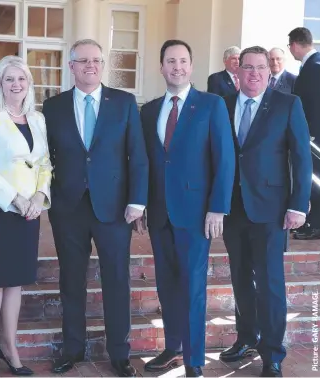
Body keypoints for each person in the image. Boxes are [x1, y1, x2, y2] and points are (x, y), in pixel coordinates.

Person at [42, 39, 148, 377]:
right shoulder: (53, 106)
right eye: (83, 60)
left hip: (114, 208)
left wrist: (137, 200)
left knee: (116, 279)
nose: (90, 66)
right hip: (68, 207)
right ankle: (73, 349)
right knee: (71, 280)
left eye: (97, 60)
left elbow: (138, 156)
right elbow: (44, 158)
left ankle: (120, 353)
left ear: (103, 65)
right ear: (71, 66)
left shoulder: (125, 102)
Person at [138, 39, 235, 378]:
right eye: (170, 61)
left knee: (193, 286)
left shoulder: (211, 105)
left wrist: (218, 208)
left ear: (191, 66)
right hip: (160, 213)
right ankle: (173, 346)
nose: (176, 67)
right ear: (161, 67)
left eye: (182, 61)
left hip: (196, 214)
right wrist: (144, 205)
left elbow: (224, 160)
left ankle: (194, 362)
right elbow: (147, 163)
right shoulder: (149, 110)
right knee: (166, 285)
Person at [219, 46, 312, 378]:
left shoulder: (288, 105)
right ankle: (246, 337)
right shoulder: (223, 104)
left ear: (268, 72)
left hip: (271, 211)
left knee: (271, 283)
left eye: (260, 67)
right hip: (231, 209)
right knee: (241, 278)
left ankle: (272, 353)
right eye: (248, 67)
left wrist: (298, 205)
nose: (254, 73)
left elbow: (302, 159)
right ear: (238, 71)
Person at [0, 55, 52, 377]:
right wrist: (14, 198)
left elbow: (43, 164)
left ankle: (10, 348)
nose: (16, 85)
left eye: (21, 79)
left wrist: (40, 196)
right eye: (9, 79)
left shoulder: (37, 119)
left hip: (29, 211)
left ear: (29, 83)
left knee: (15, 283)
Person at [288, 27, 320, 240]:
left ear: (294, 45)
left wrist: (311, 135)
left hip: (314, 138)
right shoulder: (312, 64)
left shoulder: (314, 67)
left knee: (314, 180)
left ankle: (314, 224)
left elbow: (316, 104)